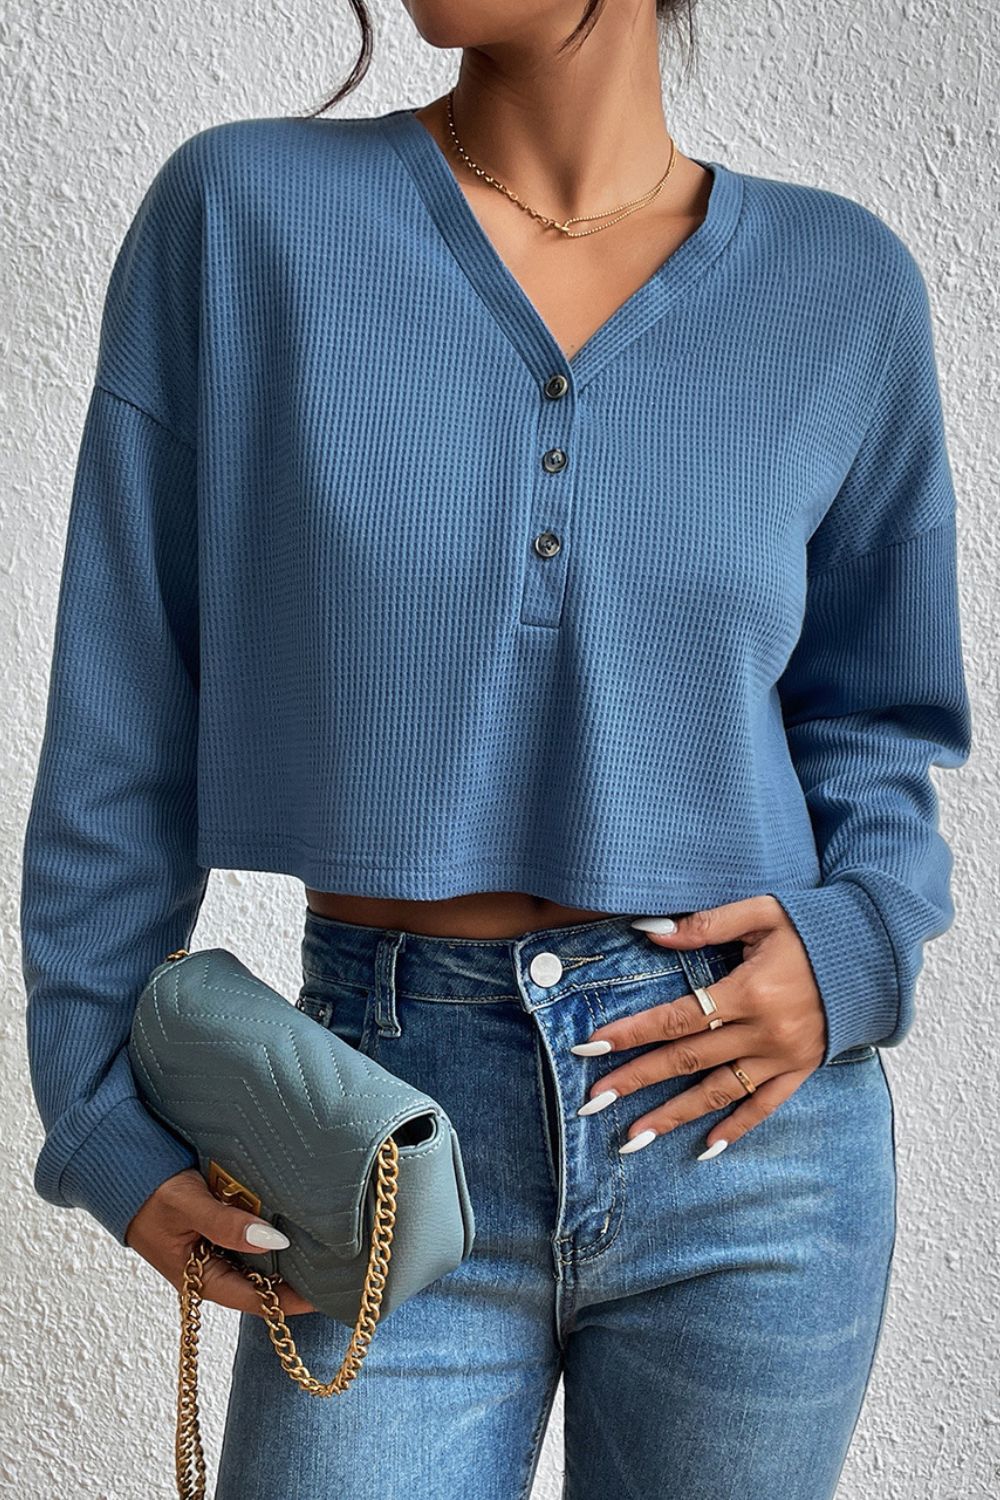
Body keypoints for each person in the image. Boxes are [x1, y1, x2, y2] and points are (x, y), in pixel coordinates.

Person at [20, 1, 973, 1495]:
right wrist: (96, 1107)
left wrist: (851, 951)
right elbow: (124, 704)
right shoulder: (244, 218)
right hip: (380, 1116)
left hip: (749, 1140)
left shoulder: (841, 284)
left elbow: (874, 716)